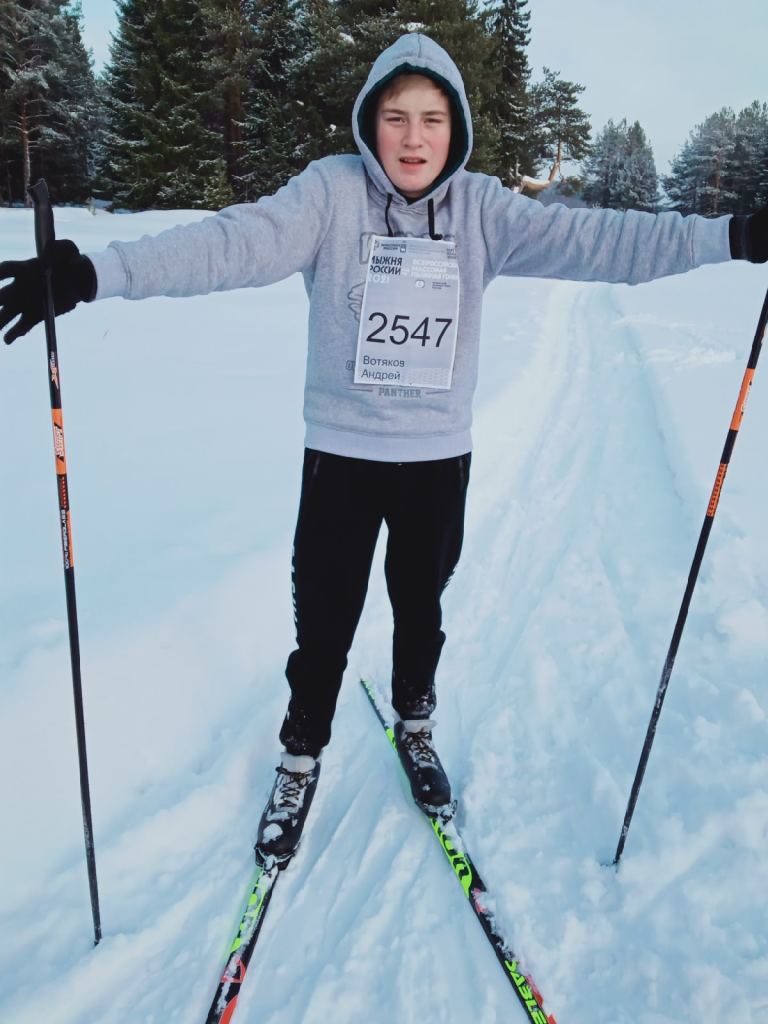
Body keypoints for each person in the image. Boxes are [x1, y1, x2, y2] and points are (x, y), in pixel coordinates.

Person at [2, 34, 766, 868]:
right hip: (340, 457)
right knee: (324, 623)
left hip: (438, 460)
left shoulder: (481, 209)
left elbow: (601, 241)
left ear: (455, 128)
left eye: (432, 119)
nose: (412, 137)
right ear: (370, 121)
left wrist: (731, 236)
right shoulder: (330, 194)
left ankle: (416, 721)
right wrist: (96, 274)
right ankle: (300, 754)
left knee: (421, 609)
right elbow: (232, 243)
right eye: (396, 117)